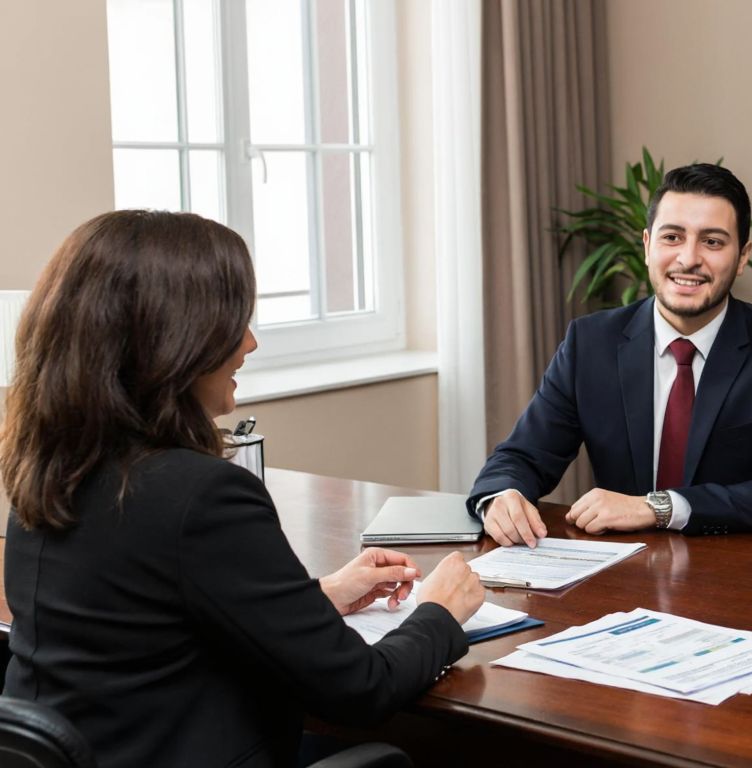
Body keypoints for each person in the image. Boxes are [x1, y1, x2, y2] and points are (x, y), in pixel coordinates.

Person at [0, 211, 486, 768]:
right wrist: (440, 613)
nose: (250, 343)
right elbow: (361, 689)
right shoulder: (202, 494)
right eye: (234, 323)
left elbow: (146, 627)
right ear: (173, 340)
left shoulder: (49, 472)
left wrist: (315, 598)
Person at [470, 163, 752, 545]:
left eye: (712, 242)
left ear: (742, 257)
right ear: (646, 245)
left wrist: (659, 507)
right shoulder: (590, 343)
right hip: (619, 574)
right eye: (672, 237)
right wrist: (500, 497)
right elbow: (521, 456)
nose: (688, 258)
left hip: (728, 574)